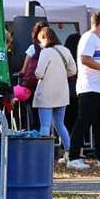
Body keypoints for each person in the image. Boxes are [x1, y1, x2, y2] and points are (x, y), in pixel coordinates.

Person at [67, 12, 100, 170]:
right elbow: (85, 59)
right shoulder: (88, 37)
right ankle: (73, 156)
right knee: (84, 121)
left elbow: (96, 62)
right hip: (89, 87)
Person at [33, 26, 77, 159]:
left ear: (46, 38)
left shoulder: (45, 52)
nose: (40, 44)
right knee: (60, 123)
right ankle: (70, 152)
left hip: (46, 93)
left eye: (40, 40)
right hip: (62, 92)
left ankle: (43, 156)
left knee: (45, 125)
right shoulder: (65, 50)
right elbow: (73, 70)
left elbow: (39, 73)